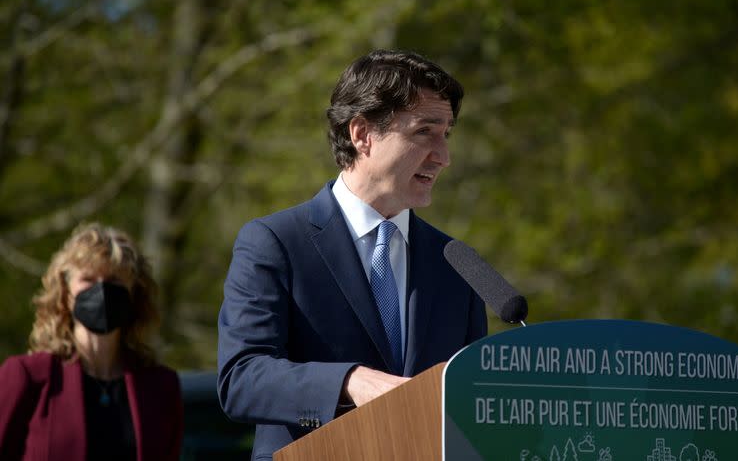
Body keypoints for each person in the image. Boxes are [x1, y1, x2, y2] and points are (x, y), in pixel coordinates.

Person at [217, 49, 488, 458]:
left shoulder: (454, 261)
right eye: (423, 132)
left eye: (446, 133)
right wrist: (351, 382)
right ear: (361, 134)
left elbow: (471, 400)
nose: (444, 156)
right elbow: (242, 378)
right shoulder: (274, 243)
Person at [0, 223, 184, 461]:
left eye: (114, 280)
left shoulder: (160, 386)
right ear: (66, 294)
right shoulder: (28, 377)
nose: (102, 290)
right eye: (88, 279)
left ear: (134, 294)